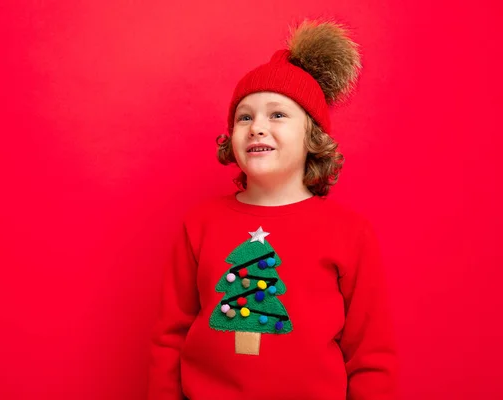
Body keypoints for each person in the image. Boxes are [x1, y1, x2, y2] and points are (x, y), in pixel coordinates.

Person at [147, 19, 397, 400]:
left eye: (277, 115)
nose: (256, 128)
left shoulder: (350, 232)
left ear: (313, 136)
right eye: (244, 117)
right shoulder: (200, 224)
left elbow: (371, 357)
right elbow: (169, 338)